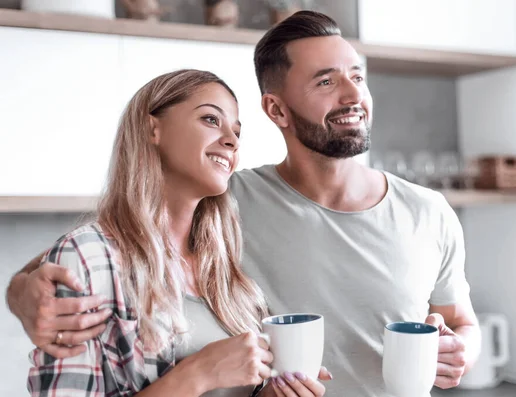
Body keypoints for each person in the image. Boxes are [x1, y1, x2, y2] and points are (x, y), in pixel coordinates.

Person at [6, 11, 480, 397]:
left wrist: (462, 349)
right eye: (326, 82)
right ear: (276, 110)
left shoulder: (429, 211)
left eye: (357, 76)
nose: (354, 94)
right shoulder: (225, 200)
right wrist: (23, 294)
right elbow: (91, 258)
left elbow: (461, 323)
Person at [13, 69, 329, 397]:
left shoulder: (228, 266)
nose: (231, 140)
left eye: (236, 132)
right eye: (210, 119)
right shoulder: (90, 256)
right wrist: (198, 373)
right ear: (154, 129)